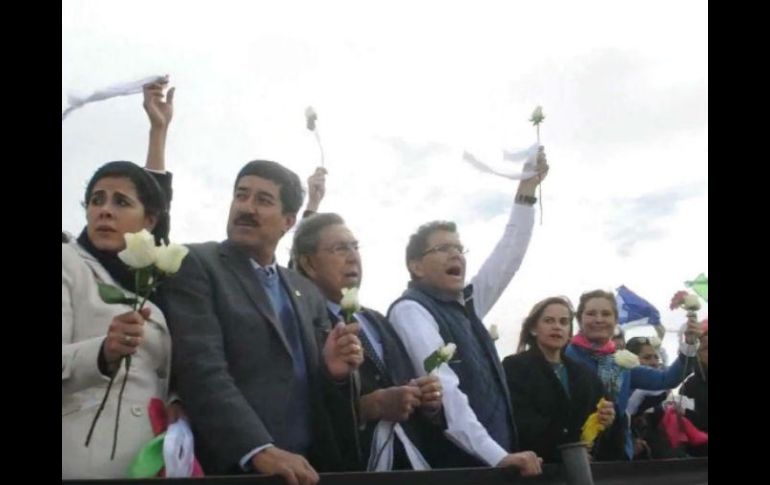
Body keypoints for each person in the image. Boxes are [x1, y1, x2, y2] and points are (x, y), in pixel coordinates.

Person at [160, 160, 364, 483]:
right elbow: (200, 368)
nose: (246, 207)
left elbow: (319, 390)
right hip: (236, 468)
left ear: (288, 221)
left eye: (263, 200)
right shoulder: (197, 264)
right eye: (241, 195)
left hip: (309, 469)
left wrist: (333, 372)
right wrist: (256, 449)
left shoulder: (304, 290)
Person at [387, 147, 549, 476]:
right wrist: (497, 455)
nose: (456, 255)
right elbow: (445, 390)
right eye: (443, 248)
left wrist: (526, 190)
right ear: (416, 266)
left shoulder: (468, 305)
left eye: (459, 248)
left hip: (495, 464)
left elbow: (508, 255)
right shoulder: (412, 311)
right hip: (456, 470)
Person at [63, 80, 177, 478]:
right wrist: (101, 352)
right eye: (96, 200)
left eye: (120, 202)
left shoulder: (154, 282)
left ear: (148, 220)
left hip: (151, 463)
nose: (105, 210)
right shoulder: (68, 263)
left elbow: (158, 225)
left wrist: (158, 131)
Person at [292, 212, 444, 470]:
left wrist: (426, 400)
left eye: (355, 247)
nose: (353, 257)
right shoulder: (300, 323)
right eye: (340, 248)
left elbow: (403, 387)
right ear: (308, 264)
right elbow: (297, 408)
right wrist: (367, 407)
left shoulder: (377, 320)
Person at [565, 290, 701, 460]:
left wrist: (689, 344)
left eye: (606, 314)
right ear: (579, 320)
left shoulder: (621, 362)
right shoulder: (565, 356)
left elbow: (666, 379)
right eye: (591, 313)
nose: (599, 319)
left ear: (615, 320)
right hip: (573, 451)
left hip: (615, 452)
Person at [502, 297, 616, 463]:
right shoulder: (515, 367)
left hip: (584, 466)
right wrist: (569, 450)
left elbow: (600, 418)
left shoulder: (584, 373)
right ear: (533, 328)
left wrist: (607, 418)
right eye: (549, 321)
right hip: (537, 465)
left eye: (563, 322)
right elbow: (521, 420)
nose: (557, 327)